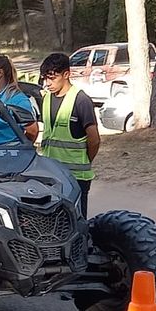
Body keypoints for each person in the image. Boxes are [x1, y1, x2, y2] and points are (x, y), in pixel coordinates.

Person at [39, 52, 100, 217]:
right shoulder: (46, 99)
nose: (48, 83)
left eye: (52, 78)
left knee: (77, 222)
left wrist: (86, 160)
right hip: (52, 175)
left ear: (66, 74)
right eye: (45, 79)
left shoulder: (81, 100)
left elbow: (94, 140)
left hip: (76, 177)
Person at [0, 55, 39, 144]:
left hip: (8, 154)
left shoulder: (18, 100)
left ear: (0, 73)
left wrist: (21, 149)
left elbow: (32, 130)